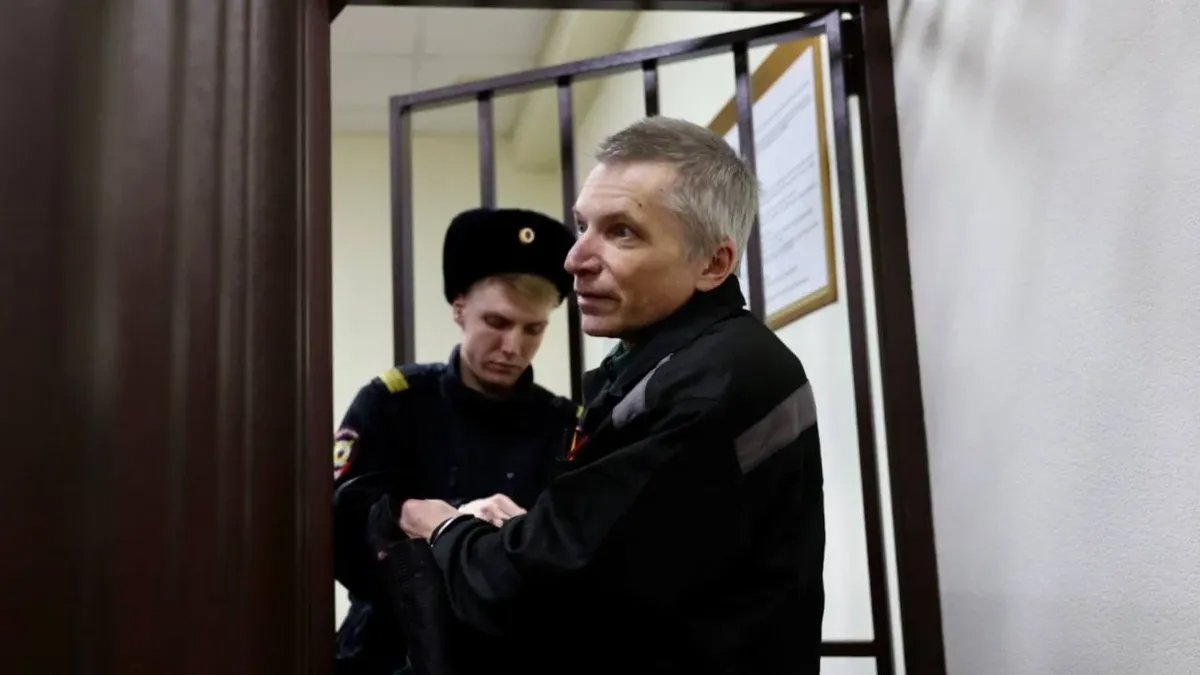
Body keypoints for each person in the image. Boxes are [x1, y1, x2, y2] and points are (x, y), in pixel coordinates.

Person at [399, 116, 827, 675]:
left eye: (622, 231)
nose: (575, 259)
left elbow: (535, 589)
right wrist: (528, 533)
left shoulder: (716, 382)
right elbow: (633, 556)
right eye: (583, 226)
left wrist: (447, 527)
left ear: (713, 263)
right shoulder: (667, 368)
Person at [332, 206, 580, 675]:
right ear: (459, 308)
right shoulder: (393, 402)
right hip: (387, 647)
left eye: (533, 329)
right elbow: (337, 522)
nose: (513, 347)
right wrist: (409, 517)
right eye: (497, 322)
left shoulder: (565, 425)